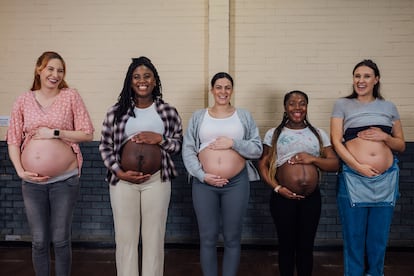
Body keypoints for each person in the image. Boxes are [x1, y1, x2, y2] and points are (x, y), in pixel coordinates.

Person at [6, 51, 94, 276]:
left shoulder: (70, 96)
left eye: (60, 70)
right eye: (51, 69)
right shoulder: (23, 100)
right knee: (38, 241)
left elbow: (87, 134)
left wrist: (55, 132)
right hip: (32, 183)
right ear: (39, 69)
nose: (55, 74)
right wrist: (20, 172)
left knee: (60, 239)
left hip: (64, 180)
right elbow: (13, 139)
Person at [99, 56, 183, 276]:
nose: (142, 80)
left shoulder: (168, 112)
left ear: (155, 81)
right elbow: (105, 147)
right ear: (130, 82)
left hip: (157, 181)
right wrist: (119, 172)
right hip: (122, 182)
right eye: (136, 77)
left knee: (154, 237)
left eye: (147, 76)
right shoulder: (116, 112)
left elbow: (177, 145)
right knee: (125, 238)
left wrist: (160, 139)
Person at [182, 72, 263, 276]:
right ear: (212, 90)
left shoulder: (243, 115)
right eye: (219, 87)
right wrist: (202, 175)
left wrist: (233, 143)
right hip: (204, 183)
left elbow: (256, 149)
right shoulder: (199, 116)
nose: (223, 91)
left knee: (232, 237)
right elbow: (188, 148)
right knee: (208, 237)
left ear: (232, 90)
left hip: (237, 183)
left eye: (227, 87)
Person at [330, 59, 405, 276]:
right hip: (354, 177)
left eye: (366, 76)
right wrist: (357, 166)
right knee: (354, 236)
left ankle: (375, 273)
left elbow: (400, 144)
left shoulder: (388, 107)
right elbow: (336, 141)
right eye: (357, 76)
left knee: (378, 237)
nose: (361, 81)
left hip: (386, 179)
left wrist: (385, 137)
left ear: (376, 80)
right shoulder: (342, 104)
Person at [258, 90, 339, 276]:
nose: (297, 107)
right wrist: (277, 188)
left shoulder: (318, 134)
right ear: (285, 108)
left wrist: (313, 159)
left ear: (307, 107)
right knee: (286, 246)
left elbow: (334, 164)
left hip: (311, 199)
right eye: (292, 103)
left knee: (306, 247)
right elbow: (262, 165)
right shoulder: (274, 134)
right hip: (283, 199)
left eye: (302, 103)